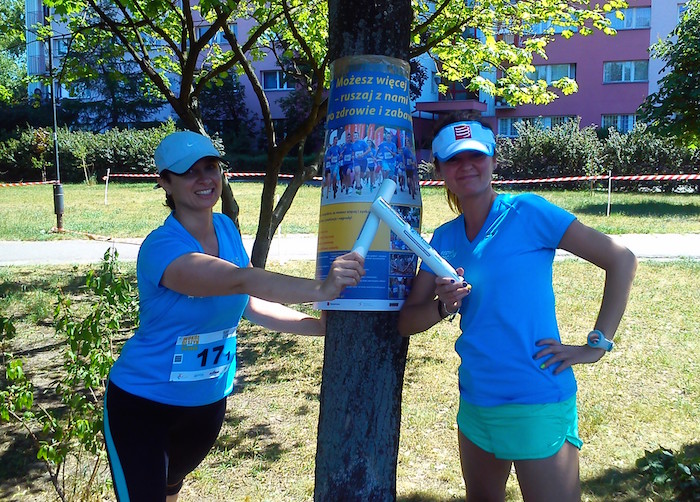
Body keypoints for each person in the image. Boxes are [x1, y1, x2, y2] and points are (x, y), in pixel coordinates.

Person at [103, 130, 365, 502]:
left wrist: (315, 326)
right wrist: (320, 289)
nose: (204, 178)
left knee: (170, 489)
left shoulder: (226, 228)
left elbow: (248, 302)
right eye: (189, 171)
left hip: (206, 407)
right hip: (144, 406)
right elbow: (240, 280)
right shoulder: (161, 247)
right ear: (165, 182)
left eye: (210, 167)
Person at [397, 112, 637, 501]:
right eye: (454, 159)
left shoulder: (528, 212)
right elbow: (406, 321)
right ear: (438, 169)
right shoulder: (443, 238)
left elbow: (621, 259)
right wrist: (443, 307)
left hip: (537, 397)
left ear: (494, 160)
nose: (466, 166)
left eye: (476, 155)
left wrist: (597, 344)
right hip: (476, 400)